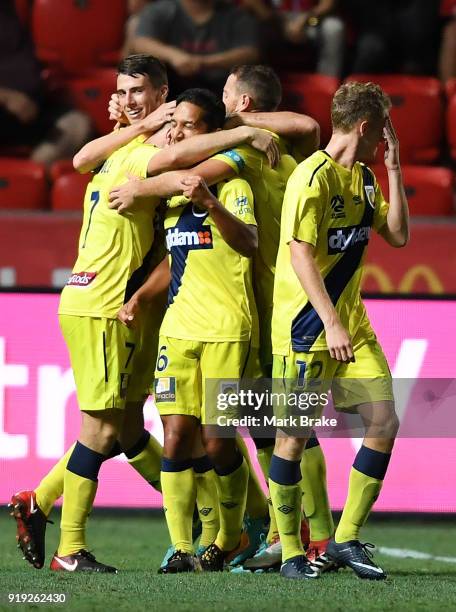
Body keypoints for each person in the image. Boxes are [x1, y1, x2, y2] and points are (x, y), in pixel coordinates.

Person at [9, 54, 278, 574]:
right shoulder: (144, 153)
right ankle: (67, 537)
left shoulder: (129, 146)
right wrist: (237, 136)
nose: (129, 102)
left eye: (139, 93)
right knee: (114, 430)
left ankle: (228, 521)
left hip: (134, 302)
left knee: (134, 426)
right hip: (111, 303)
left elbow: (86, 158)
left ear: (162, 94)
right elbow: (158, 163)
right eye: (122, 93)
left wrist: (160, 126)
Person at [269, 81, 409, 580]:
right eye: (383, 134)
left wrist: (393, 169)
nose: (384, 142)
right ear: (367, 126)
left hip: (353, 327)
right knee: (292, 438)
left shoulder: (367, 180)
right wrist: (329, 321)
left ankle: (345, 540)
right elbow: (299, 251)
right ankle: (290, 553)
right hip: (308, 329)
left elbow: (398, 236)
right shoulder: (312, 178)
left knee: (384, 421)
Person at [0, 0, 91, 169]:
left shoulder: (8, 14)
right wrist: (6, 97)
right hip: (6, 107)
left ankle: (28, 182)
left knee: (76, 124)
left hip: (29, 112)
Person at [130, 0, 260, 94]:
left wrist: (202, 62)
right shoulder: (159, 10)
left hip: (223, 88)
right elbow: (141, 42)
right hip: (171, 87)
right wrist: (174, 55)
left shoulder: (236, 15)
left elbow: (250, 52)